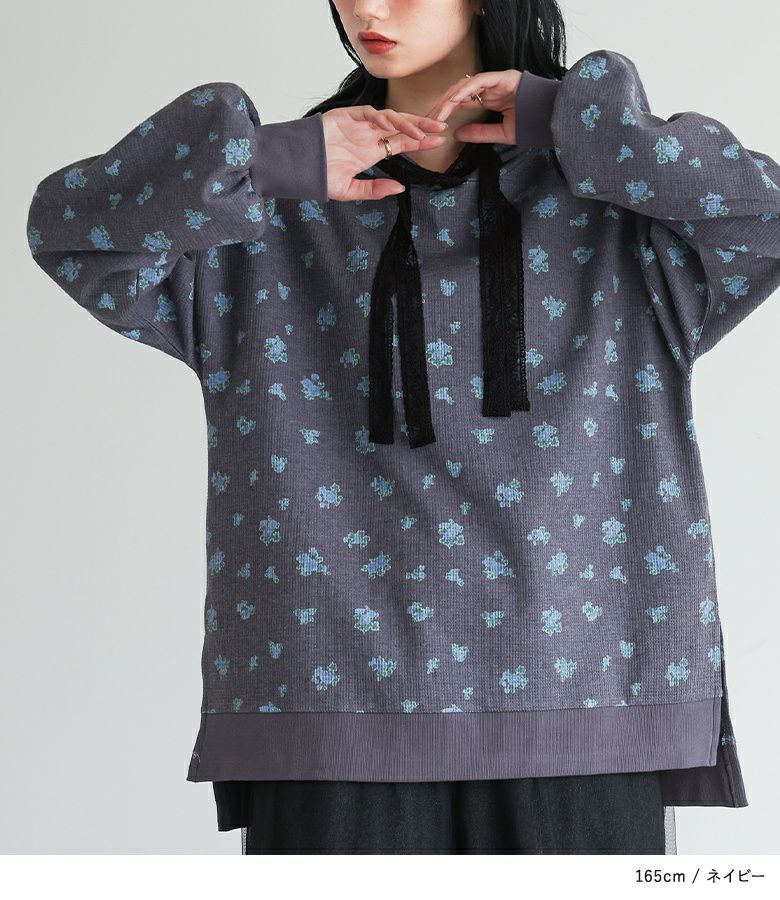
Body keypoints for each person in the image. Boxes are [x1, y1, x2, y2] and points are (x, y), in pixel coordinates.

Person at [26, 0, 779, 854]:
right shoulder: (256, 207)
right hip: (328, 711)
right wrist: (266, 161)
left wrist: (579, 123)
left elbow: (765, 216)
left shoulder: (617, 204)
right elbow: (70, 230)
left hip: (585, 702)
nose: (367, 7)